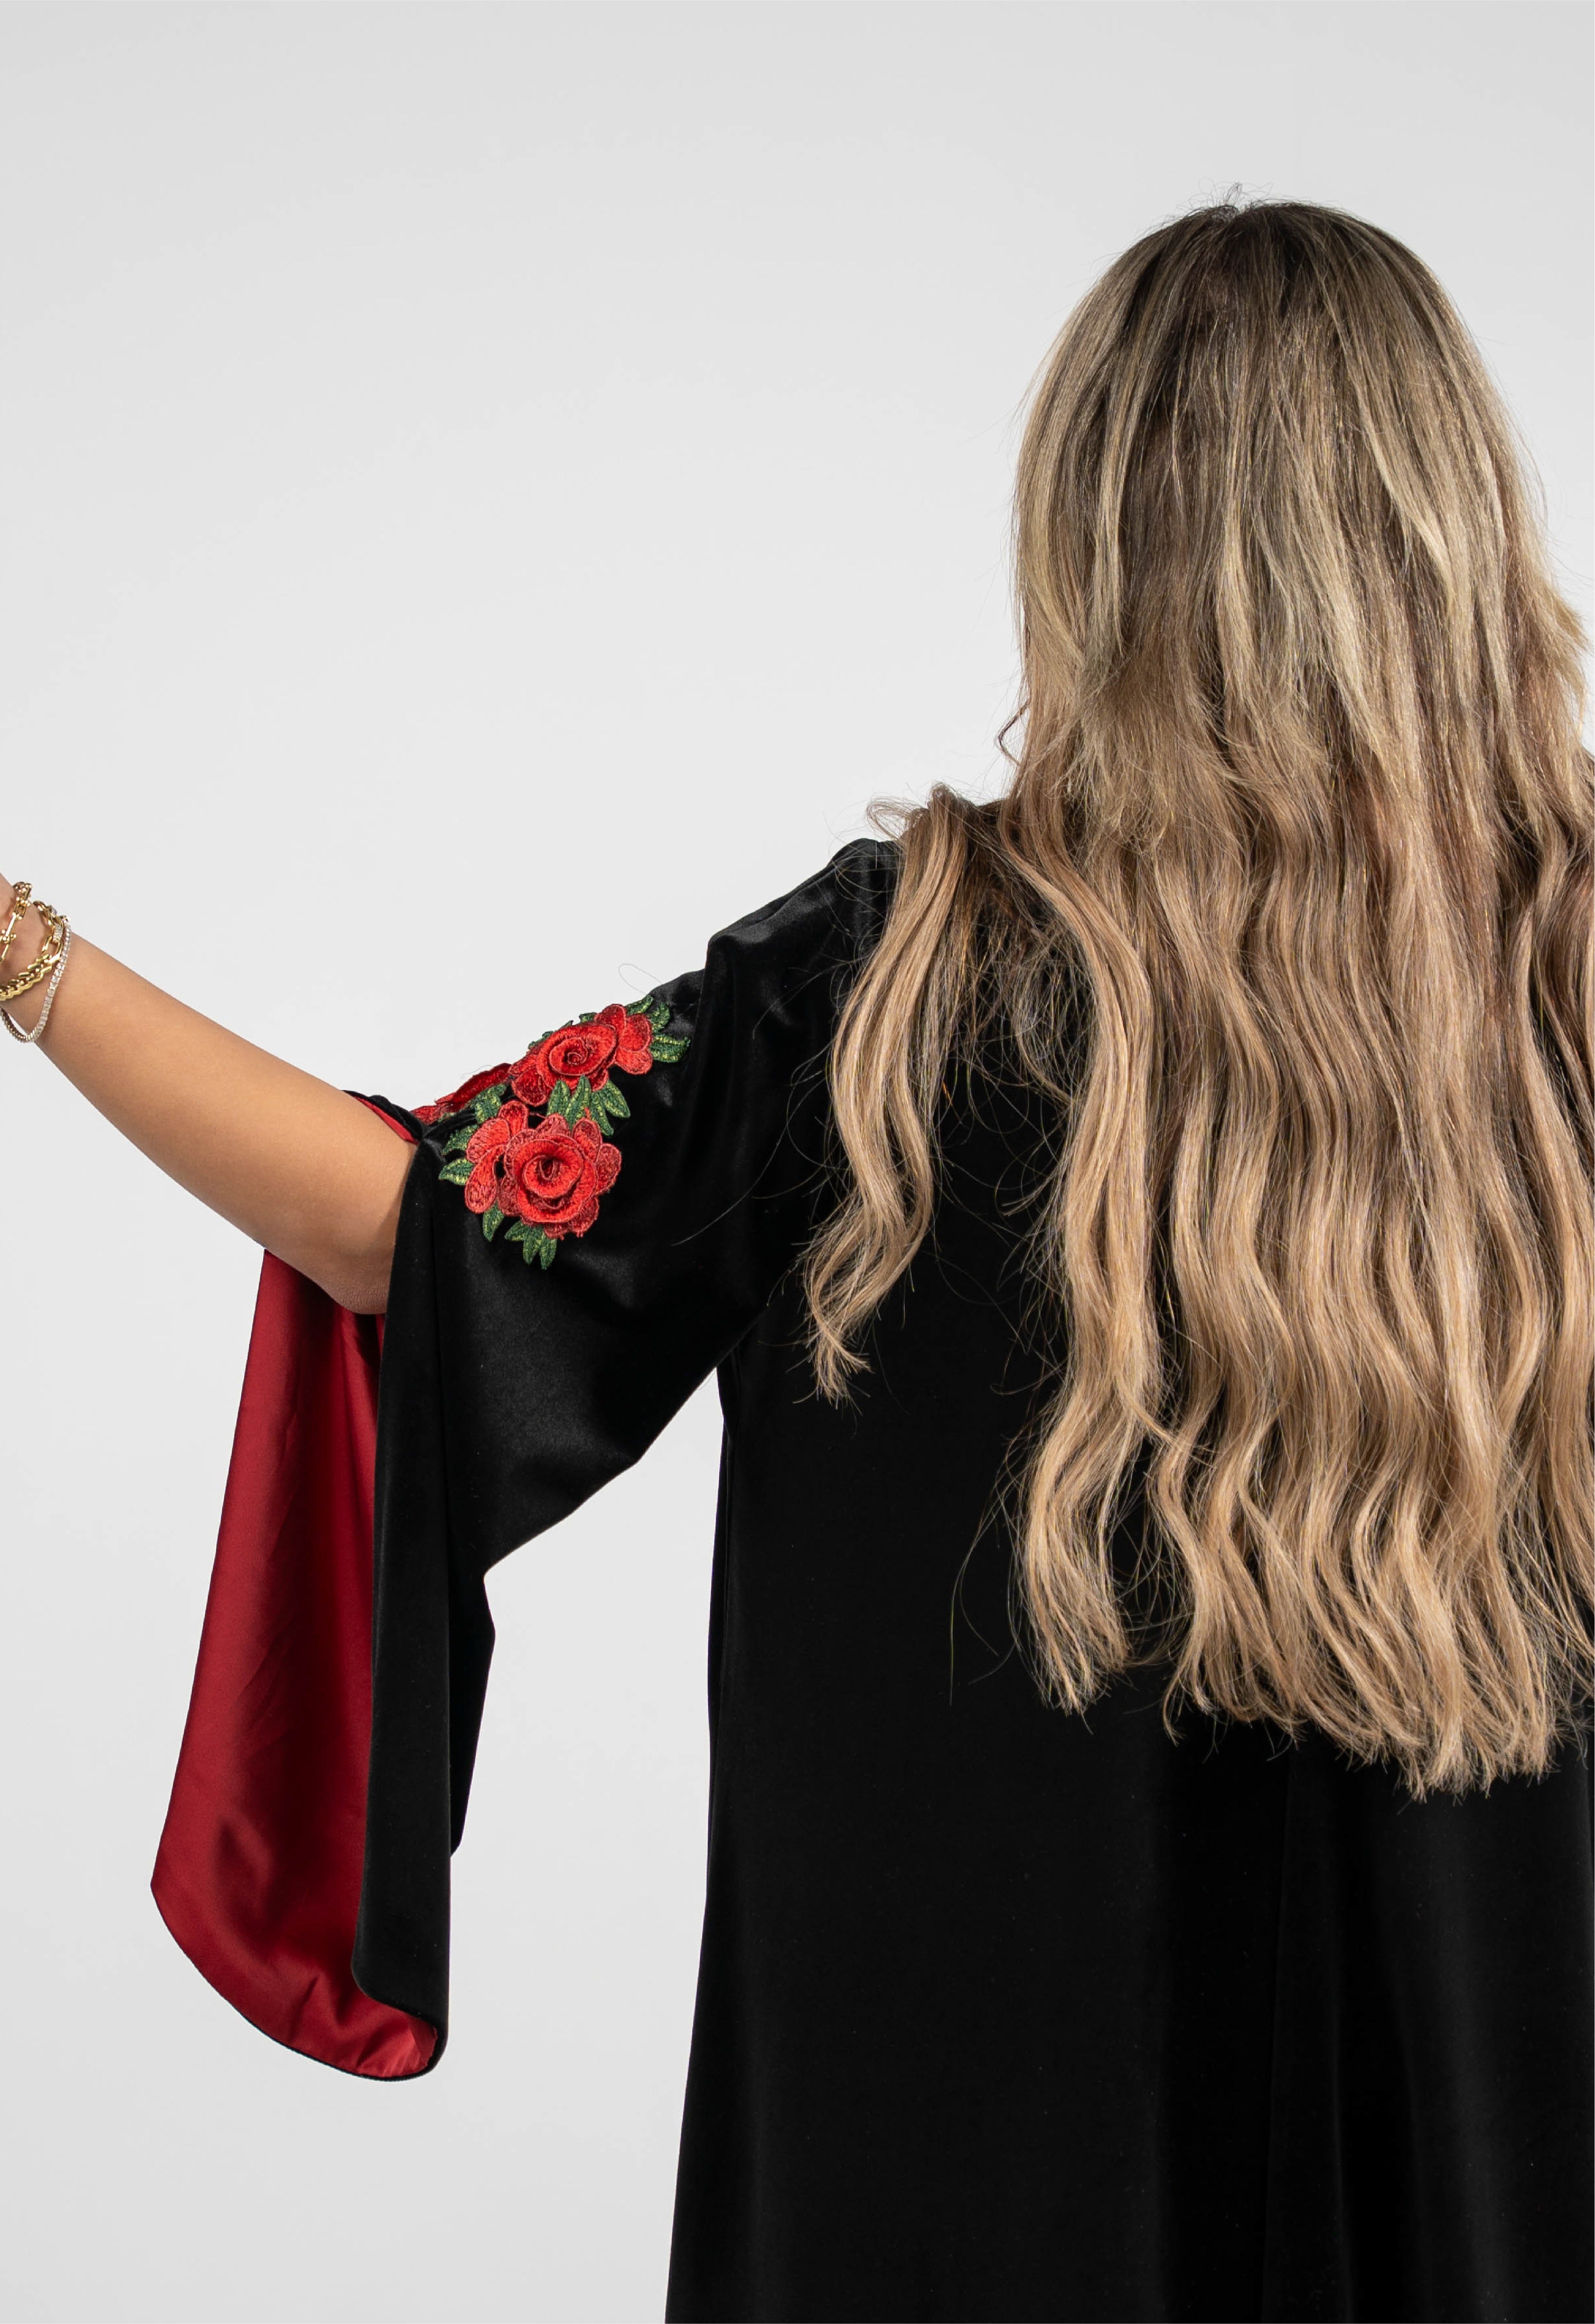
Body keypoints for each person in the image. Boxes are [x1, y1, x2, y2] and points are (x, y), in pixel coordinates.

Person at [3, 196, 1590, 2324]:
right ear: (1450, 530)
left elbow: (400, 1227)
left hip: (956, 2206)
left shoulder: (899, 987)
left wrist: (17, 952)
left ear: (1093, 537)